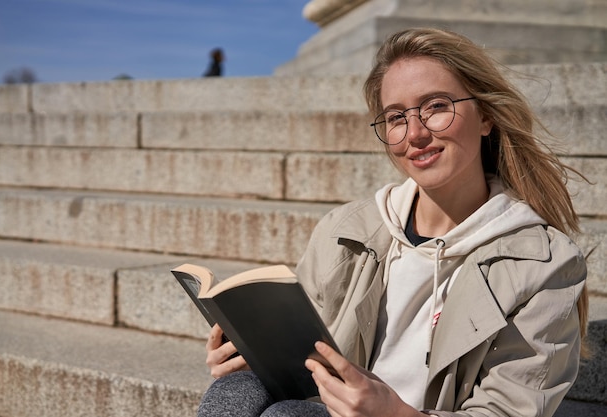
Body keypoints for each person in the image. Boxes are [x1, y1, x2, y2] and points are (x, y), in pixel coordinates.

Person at [197, 27, 589, 417]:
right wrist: (256, 359)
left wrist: (394, 413)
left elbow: (509, 411)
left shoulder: (544, 264)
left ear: (485, 116)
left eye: (436, 106)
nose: (415, 133)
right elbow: (305, 361)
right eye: (396, 117)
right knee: (239, 390)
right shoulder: (345, 229)